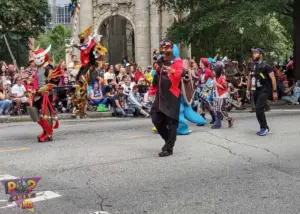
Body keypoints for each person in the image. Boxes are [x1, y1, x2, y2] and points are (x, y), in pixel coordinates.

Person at [151, 40, 183, 157]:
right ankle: (168, 140)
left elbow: (181, 74)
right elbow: (156, 78)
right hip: (160, 96)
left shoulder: (176, 61)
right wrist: (152, 89)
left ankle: (169, 148)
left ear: (171, 49)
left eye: (166, 48)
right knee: (156, 118)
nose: (164, 50)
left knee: (172, 122)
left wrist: (173, 71)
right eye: (162, 48)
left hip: (172, 96)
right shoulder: (160, 62)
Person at [28, 45, 61, 142]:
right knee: (33, 112)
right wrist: (29, 83)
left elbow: (54, 81)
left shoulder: (48, 67)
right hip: (38, 94)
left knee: (46, 115)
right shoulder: (39, 67)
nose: (35, 60)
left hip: (46, 94)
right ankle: (45, 130)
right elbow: (38, 80)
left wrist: (44, 88)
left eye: (37, 58)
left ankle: (49, 134)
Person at [246, 48, 278, 136]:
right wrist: (247, 90)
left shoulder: (266, 66)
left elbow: (273, 78)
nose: (253, 54)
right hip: (255, 90)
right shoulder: (252, 65)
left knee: (259, 108)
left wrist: (274, 91)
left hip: (264, 89)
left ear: (260, 54)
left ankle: (264, 128)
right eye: (253, 53)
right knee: (258, 109)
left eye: (256, 53)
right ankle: (262, 127)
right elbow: (249, 78)